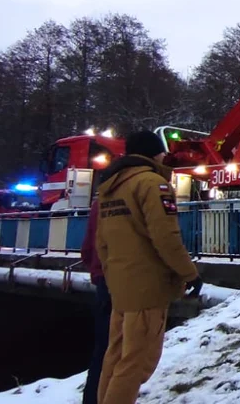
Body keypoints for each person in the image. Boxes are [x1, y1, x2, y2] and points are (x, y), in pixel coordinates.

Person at [95, 131, 202, 404]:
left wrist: (112, 276)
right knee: (137, 363)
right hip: (148, 287)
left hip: (121, 286)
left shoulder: (110, 188)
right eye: (161, 152)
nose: (164, 156)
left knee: (116, 357)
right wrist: (189, 273)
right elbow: (166, 238)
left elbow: (102, 242)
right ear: (152, 154)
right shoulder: (153, 184)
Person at [80, 184, 110, 404]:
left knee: (102, 347)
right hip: (128, 281)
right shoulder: (141, 194)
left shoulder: (99, 203)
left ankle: (92, 398)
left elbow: (87, 250)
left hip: (103, 279)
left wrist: (96, 270)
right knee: (122, 351)